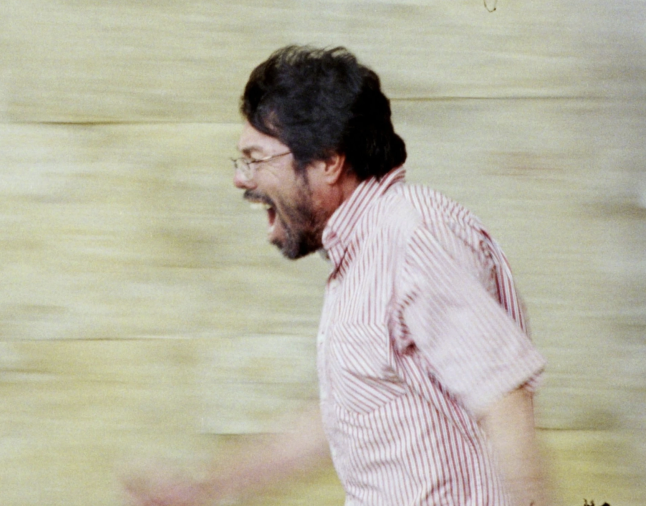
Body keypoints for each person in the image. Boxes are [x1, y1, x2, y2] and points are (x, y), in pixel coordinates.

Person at [124, 45, 549, 506]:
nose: (241, 179)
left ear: (328, 160)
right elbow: (337, 419)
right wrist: (204, 490)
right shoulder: (363, 255)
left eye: (255, 159)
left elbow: (504, 397)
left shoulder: (412, 234)